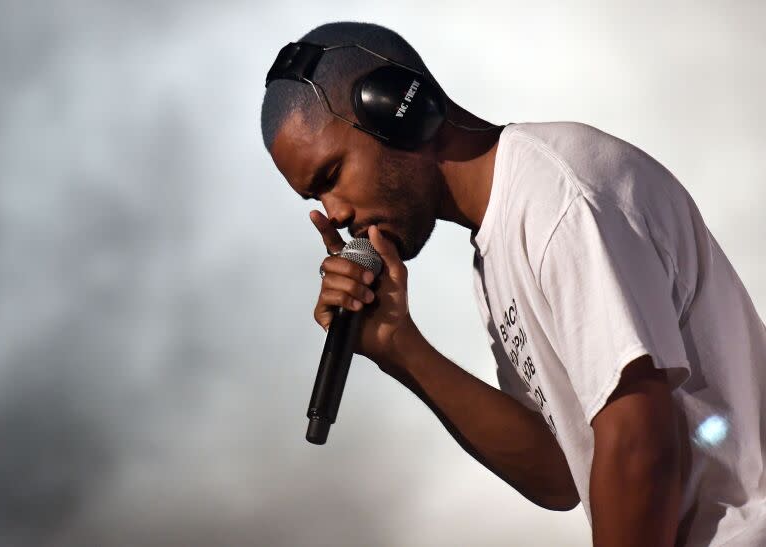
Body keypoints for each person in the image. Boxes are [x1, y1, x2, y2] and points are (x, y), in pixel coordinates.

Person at [260, 21, 766, 547]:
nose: (336, 213)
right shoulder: (496, 243)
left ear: (397, 110)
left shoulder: (557, 198)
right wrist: (400, 348)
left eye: (331, 175)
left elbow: (639, 445)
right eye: (316, 199)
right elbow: (559, 472)